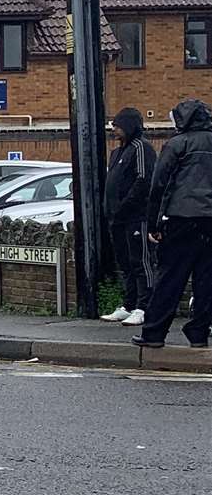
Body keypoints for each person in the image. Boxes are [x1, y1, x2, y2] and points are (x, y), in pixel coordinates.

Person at [132, 98, 212, 349]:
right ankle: (198, 333)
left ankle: (154, 333)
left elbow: (159, 186)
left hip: (182, 220)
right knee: (206, 281)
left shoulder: (177, 145)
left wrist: (153, 224)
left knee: (170, 279)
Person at [102, 106, 157, 326]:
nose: (114, 129)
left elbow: (143, 180)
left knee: (140, 262)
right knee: (125, 263)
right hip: (117, 218)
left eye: (118, 125)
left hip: (136, 216)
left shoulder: (141, 148)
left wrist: (125, 205)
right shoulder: (117, 152)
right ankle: (129, 304)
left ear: (130, 126)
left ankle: (145, 306)